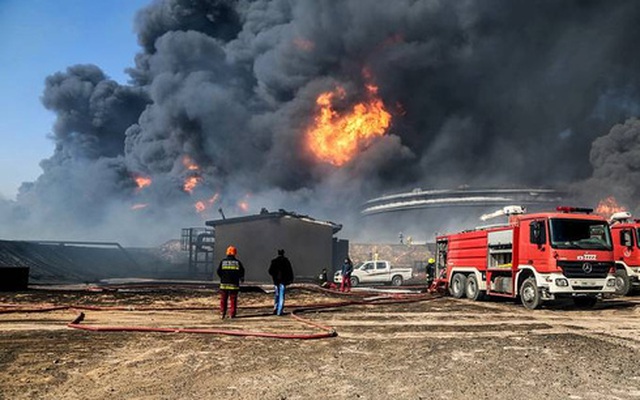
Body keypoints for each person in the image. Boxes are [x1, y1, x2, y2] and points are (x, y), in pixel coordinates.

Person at [216, 245, 245, 319]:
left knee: (223, 299)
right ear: (235, 253)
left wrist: (222, 277)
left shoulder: (223, 262)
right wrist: (240, 278)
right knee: (233, 299)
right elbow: (242, 272)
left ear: (227, 253)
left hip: (224, 284)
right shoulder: (237, 263)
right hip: (234, 284)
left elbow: (218, 271)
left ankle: (222, 312)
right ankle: (232, 314)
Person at [268, 249, 294, 316]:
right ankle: (280, 311)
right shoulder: (286, 261)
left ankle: (275, 309)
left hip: (276, 281)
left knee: (277, 295)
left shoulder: (274, 261)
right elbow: (290, 271)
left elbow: (270, 271)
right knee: (282, 296)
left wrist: (274, 276)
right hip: (283, 281)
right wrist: (290, 279)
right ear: (283, 253)